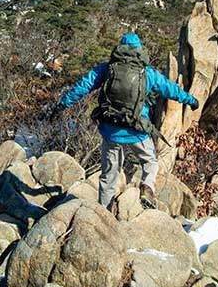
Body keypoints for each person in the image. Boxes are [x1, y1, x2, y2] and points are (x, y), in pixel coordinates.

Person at [57, 33, 198, 211]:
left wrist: (63, 103)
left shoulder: (107, 68)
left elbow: (83, 86)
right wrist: (190, 100)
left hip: (111, 130)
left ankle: (103, 213)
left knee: (109, 175)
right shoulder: (147, 73)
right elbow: (170, 89)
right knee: (150, 162)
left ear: (120, 48)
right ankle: (147, 187)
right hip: (136, 130)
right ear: (139, 50)